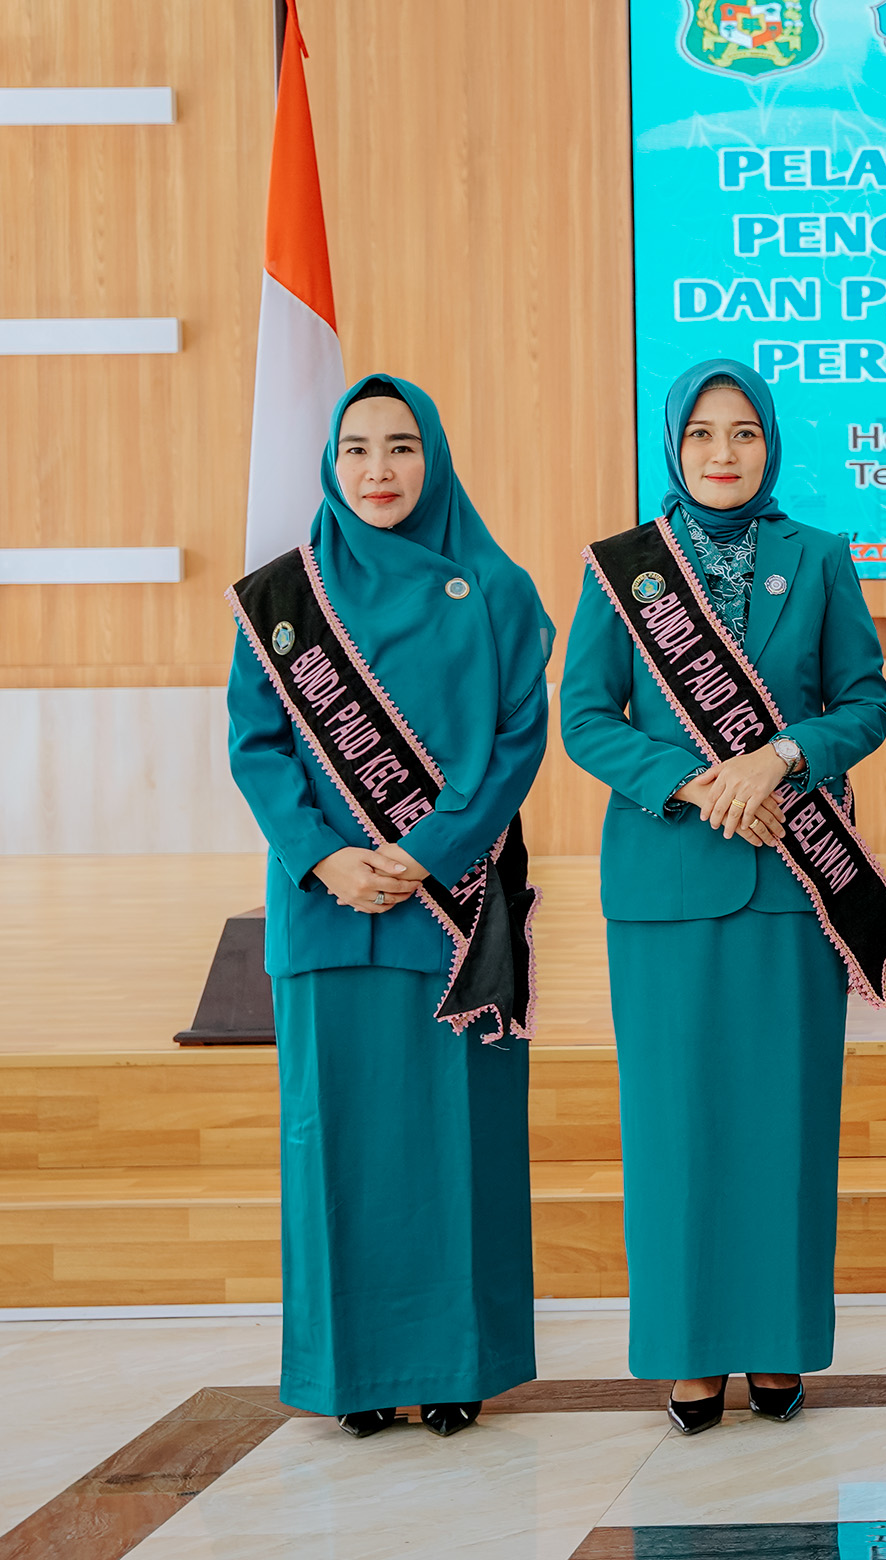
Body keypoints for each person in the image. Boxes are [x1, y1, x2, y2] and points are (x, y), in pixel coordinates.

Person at [562, 358, 886, 1434]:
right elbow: (585, 714)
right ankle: (685, 1348)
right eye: (705, 433)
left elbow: (865, 701)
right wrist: (691, 778)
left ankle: (774, 1343)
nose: (724, 451)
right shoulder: (622, 570)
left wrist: (785, 756)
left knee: (784, 1122)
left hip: (792, 883)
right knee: (674, 1127)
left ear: (771, 444)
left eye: (745, 432)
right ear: (673, 445)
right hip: (667, 886)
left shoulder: (817, 556)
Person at [224, 374, 552, 1439]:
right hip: (326, 911)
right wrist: (326, 858)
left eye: (401, 446)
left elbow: (515, 744)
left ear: (436, 456)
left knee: (462, 1141)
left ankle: (458, 1361)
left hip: (454, 904)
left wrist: (421, 853)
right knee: (341, 1145)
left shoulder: (498, 589)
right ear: (330, 461)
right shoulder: (281, 598)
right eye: (358, 448)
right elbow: (256, 746)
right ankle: (353, 1369)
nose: (379, 470)